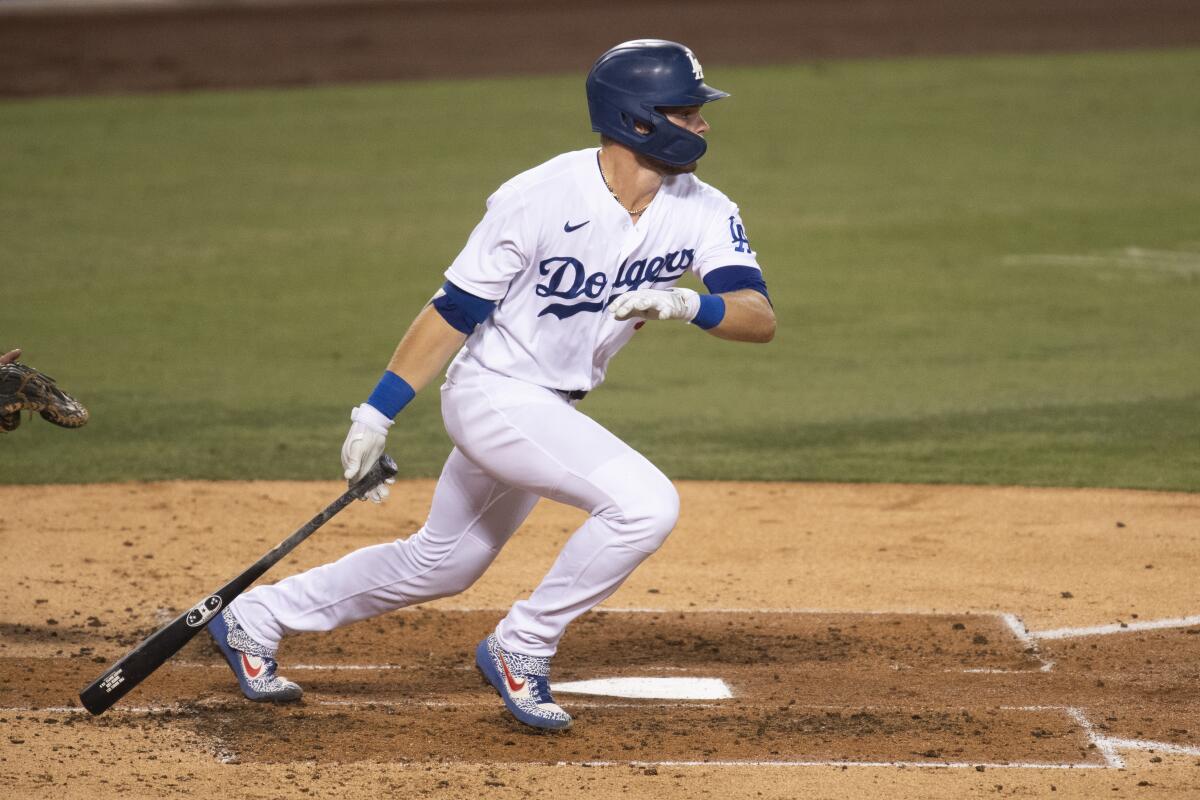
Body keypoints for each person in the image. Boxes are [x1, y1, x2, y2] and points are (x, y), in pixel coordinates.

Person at [207, 39, 775, 730]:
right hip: (493, 394)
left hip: (549, 407)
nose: (705, 125)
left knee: (442, 563)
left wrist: (690, 304)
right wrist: (376, 413)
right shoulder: (538, 196)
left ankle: (254, 617)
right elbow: (455, 308)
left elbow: (757, 317)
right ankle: (522, 645)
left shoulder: (706, 209)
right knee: (644, 505)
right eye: (689, 112)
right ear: (639, 119)